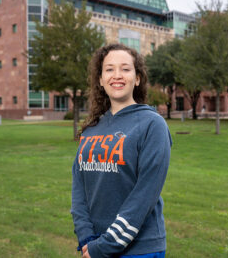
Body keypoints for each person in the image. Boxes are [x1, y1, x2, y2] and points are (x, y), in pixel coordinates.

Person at [71, 43, 172, 258]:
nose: (117, 75)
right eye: (109, 69)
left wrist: (104, 246)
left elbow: (144, 196)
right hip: (94, 244)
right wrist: (87, 237)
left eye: (125, 69)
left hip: (139, 249)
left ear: (137, 79)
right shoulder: (92, 128)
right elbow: (79, 186)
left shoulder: (152, 125)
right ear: (100, 79)